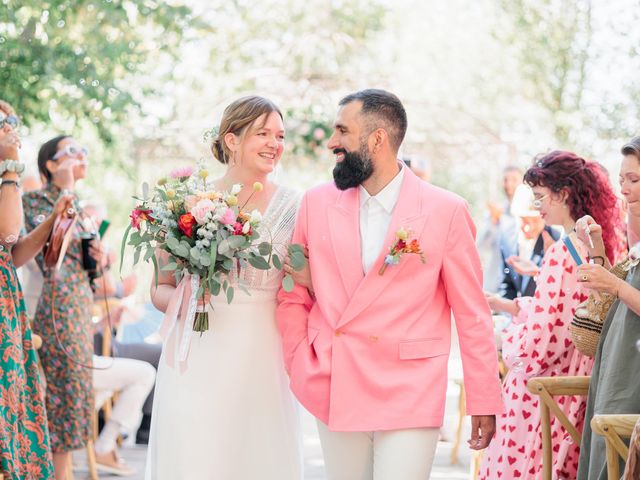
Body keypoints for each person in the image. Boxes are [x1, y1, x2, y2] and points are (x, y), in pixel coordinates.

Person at [277, 89, 504, 480]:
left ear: (377, 139)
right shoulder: (315, 204)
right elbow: (292, 293)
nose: (332, 142)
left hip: (410, 387)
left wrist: (483, 396)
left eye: (342, 131)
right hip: (334, 379)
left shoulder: (445, 210)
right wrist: (301, 359)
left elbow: (471, 314)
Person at [145, 96, 302, 479]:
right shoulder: (184, 202)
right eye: (262, 133)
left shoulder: (297, 206)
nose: (274, 144)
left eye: (279, 135)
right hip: (196, 351)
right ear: (231, 140)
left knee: (257, 455)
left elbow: (306, 281)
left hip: (263, 354)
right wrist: (187, 297)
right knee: (196, 453)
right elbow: (159, 288)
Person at [481, 151, 625, 479]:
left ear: (563, 194)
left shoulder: (562, 250)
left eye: (540, 198)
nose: (537, 207)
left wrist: (505, 341)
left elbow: (541, 339)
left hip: (548, 387)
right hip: (583, 376)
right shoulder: (599, 243)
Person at [22, 135, 106, 479]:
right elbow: (48, 258)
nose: (81, 155)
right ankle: (57, 474)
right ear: (51, 164)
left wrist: (99, 260)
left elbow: (85, 265)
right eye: (71, 152)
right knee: (58, 390)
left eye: (84, 150)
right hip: (51, 305)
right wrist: (67, 198)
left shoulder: (83, 208)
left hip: (79, 305)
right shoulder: (33, 201)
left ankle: (65, 472)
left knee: (76, 394)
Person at [0, 101, 72, 479]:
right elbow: (9, 230)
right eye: (5, 126)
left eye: (13, 126)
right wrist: (10, 164)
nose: (12, 133)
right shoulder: (7, 176)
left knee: (17, 406)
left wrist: (52, 222)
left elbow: (11, 253)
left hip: (7, 303)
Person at [575, 136, 640, 479]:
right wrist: (597, 249)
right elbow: (620, 289)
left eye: (634, 180)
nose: (625, 190)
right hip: (616, 365)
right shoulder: (635, 235)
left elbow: (621, 288)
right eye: (622, 180)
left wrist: (612, 283)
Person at [500, 184, 559, 299]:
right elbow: (506, 284)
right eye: (524, 220)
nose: (528, 227)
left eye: (535, 221)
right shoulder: (507, 238)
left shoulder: (557, 241)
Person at [477, 165, 523, 293]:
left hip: (519, 282)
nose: (509, 184)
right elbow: (482, 246)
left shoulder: (530, 213)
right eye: (505, 180)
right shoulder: (495, 211)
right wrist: (493, 221)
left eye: (514, 180)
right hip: (494, 280)